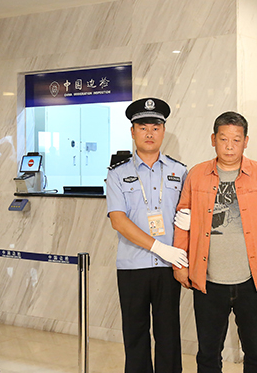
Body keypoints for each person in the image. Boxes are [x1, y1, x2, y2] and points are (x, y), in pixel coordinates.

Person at [172, 111, 257, 373]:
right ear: (213, 140)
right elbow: (182, 218)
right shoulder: (197, 174)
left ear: (246, 141)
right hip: (208, 280)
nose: (230, 146)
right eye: (224, 139)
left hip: (252, 279)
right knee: (208, 354)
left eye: (236, 139)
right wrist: (180, 264)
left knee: (256, 352)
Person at [106, 97, 188, 373]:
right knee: (135, 334)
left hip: (169, 266)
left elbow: (188, 214)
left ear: (163, 131)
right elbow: (118, 220)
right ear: (133, 132)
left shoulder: (180, 171)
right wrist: (159, 247)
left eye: (155, 127)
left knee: (169, 334)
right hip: (133, 265)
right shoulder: (117, 174)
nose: (149, 133)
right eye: (142, 127)